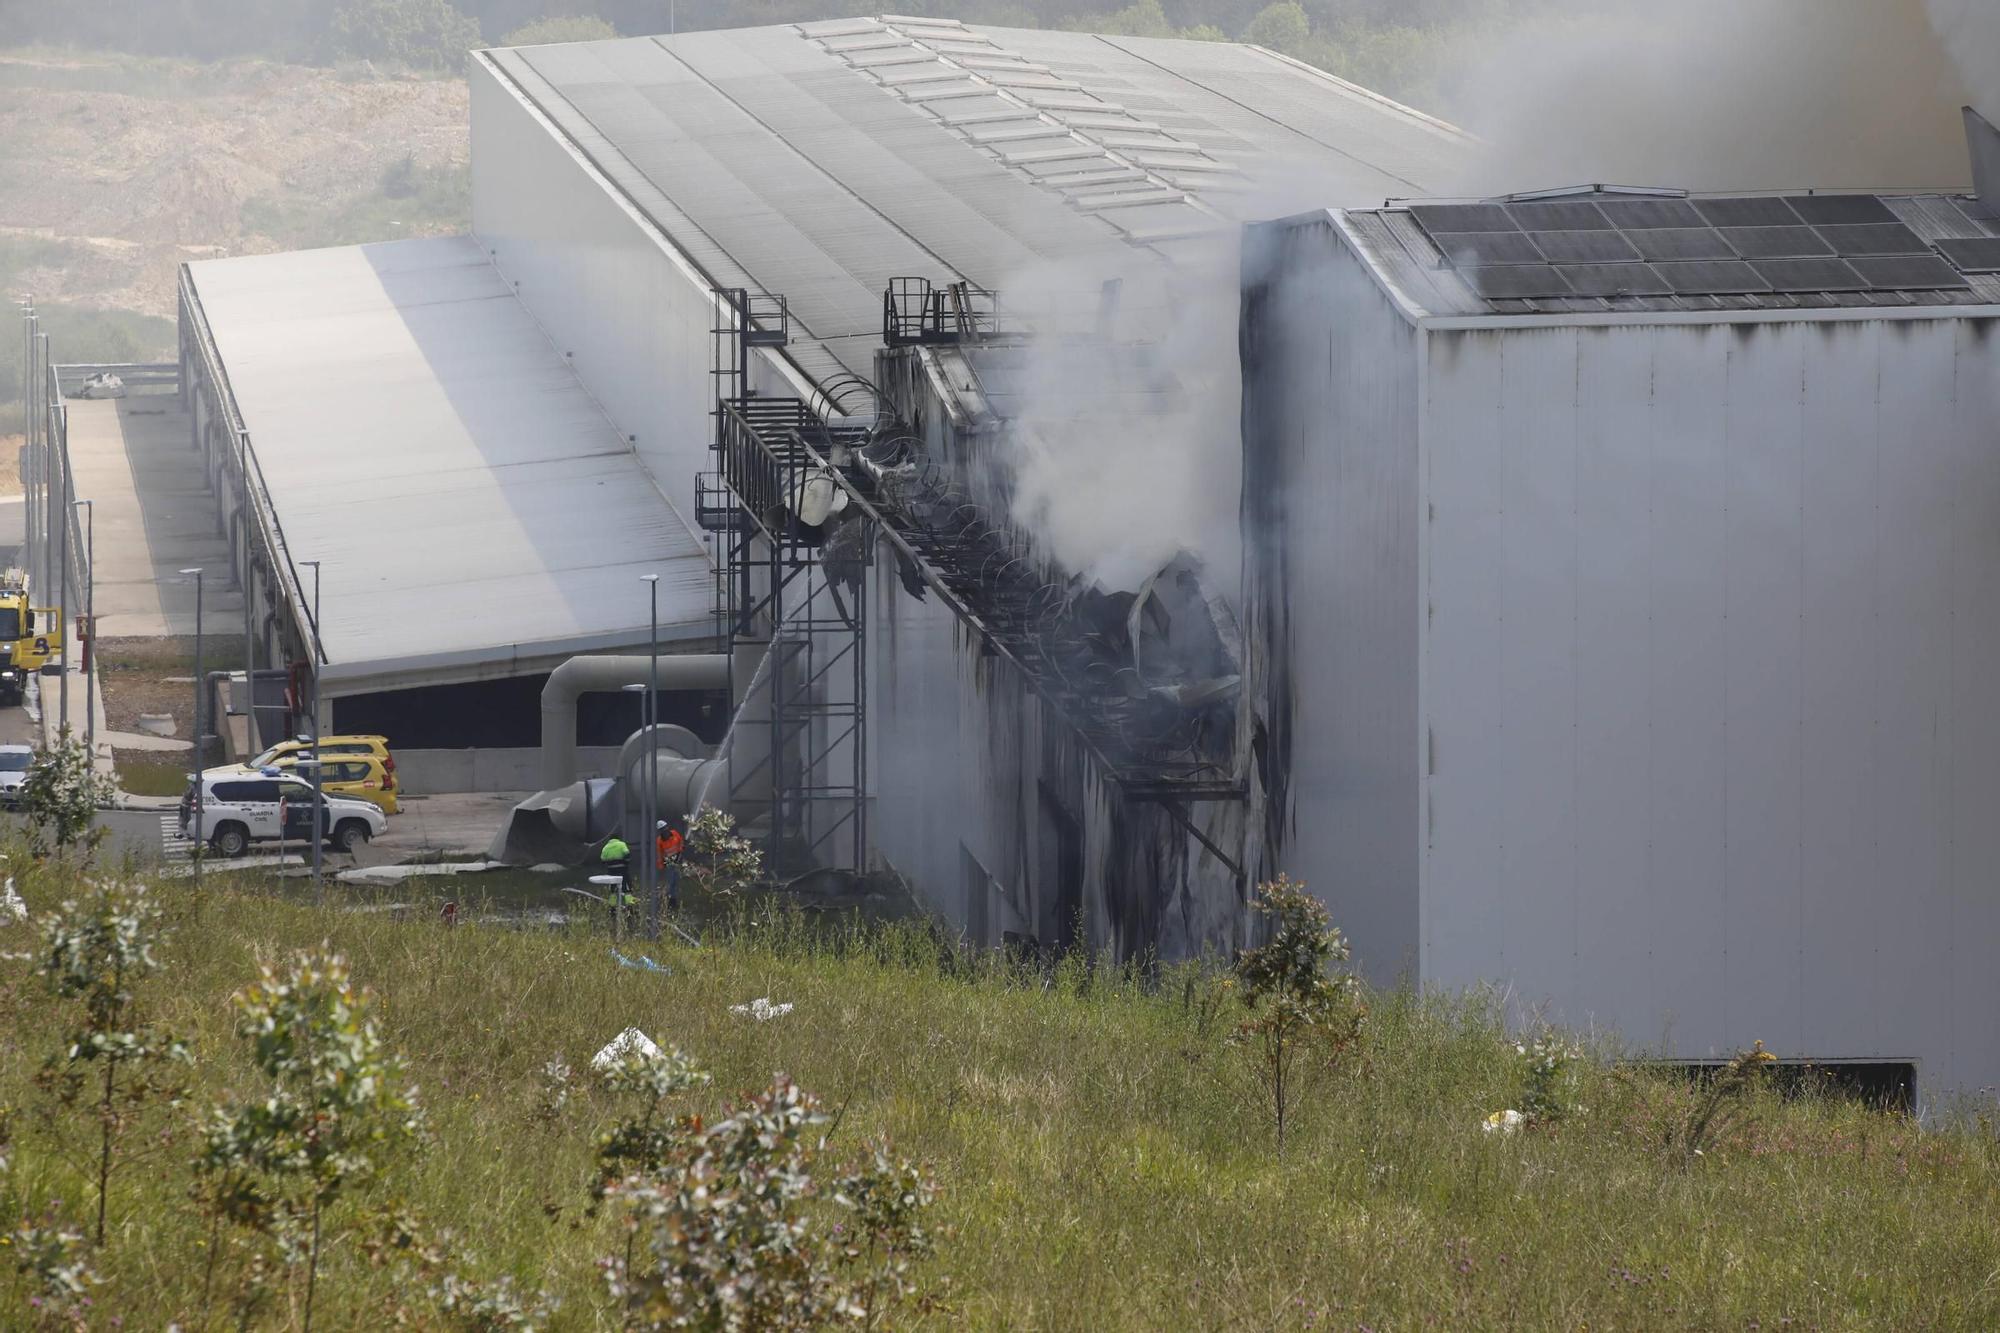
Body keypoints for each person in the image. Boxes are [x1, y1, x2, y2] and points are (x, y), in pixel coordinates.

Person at [599, 835, 635, 920]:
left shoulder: (605, 847)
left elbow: (602, 860)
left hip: (611, 872)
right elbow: (627, 854)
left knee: (612, 891)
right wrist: (625, 863)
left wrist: (610, 863)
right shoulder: (621, 844)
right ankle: (630, 909)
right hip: (623, 870)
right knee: (627, 890)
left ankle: (612, 909)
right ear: (618, 838)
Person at [656, 820, 684, 912]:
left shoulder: (675, 833)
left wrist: (680, 854)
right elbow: (660, 853)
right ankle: (671, 900)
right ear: (660, 831)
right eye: (662, 830)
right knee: (671, 881)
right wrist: (661, 865)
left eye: (665, 828)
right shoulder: (659, 840)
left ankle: (671, 899)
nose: (665, 831)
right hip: (669, 861)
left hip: (678, 858)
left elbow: (680, 844)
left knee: (675, 880)